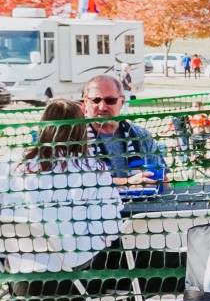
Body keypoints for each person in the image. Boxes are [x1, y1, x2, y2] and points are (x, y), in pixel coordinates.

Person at [0, 101, 123, 284]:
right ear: (82, 130)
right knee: (124, 254)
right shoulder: (94, 171)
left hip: (19, 281)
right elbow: (110, 230)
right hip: (72, 282)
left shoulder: (9, 165)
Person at [81, 74, 166, 188]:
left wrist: (155, 182)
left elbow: (164, 180)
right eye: (96, 100)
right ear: (86, 102)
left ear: (122, 102)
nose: (102, 107)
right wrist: (126, 183)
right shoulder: (74, 139)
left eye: (110, 100)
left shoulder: (142, 136)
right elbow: (74, 183)